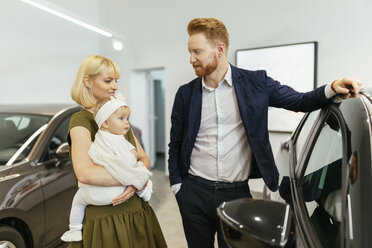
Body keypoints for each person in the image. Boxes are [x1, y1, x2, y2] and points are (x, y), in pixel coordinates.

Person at [168, 17, 363, 248]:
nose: (191, 59)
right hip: (194, 193)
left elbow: (299, 100)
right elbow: (175, 142)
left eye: (197, 52)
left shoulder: (255, 83)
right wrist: (178, 187)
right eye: (189, 52)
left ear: (219, 49)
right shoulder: (185, 94)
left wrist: (332, 88)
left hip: (235, 193)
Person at [68, 55, 167, 248]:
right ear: (87, 81)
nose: (114, 86)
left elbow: (144, 158)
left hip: (136, 212)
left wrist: (134, 184)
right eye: (108, 80)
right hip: (107, 219)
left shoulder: (116, 116)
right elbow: (85, 174)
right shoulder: (80, 121)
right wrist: (135, 178)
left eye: (116, 81)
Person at [61, 94, 154, 242]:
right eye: (122, 119)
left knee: (78, 199)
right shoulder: (119, 140)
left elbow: (94, 157)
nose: (127, 123)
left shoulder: (98, 140)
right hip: (119, 194)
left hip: (98, 194)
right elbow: (135, 159)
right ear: (105, 122)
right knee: (139, 172)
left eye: (127, 119)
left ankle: (74, 229)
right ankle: (144, 191)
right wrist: (134, 177)